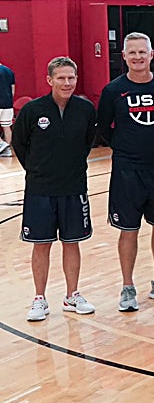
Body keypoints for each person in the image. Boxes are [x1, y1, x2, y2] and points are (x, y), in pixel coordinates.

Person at [17, 57, 98, 321]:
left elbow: (88, 143)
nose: (67, 83)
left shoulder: (85, 109)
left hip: (74, 187)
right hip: (40, 189)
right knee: (41, 244)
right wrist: (37, 169)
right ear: (49, 80)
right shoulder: (33, 111)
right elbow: (20, 144)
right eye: (61, 78)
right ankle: (39, 298)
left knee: (72, 242)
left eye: (71, 78)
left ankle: (72, 295)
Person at [96, 33, 154, 312]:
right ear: (124, 56)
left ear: (151, 55)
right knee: (129, 229)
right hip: (127, 170)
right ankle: (128, 287)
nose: (138, 57)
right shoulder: (113, 90)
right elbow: (104, 127)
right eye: (132, 52)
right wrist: (125, 147)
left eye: (142, 52)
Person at [0, 55, 14, 155]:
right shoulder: (9, 71)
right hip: (8, 103)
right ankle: (7, 150)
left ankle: (1, 144)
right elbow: (13, 89)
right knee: (7, 126)